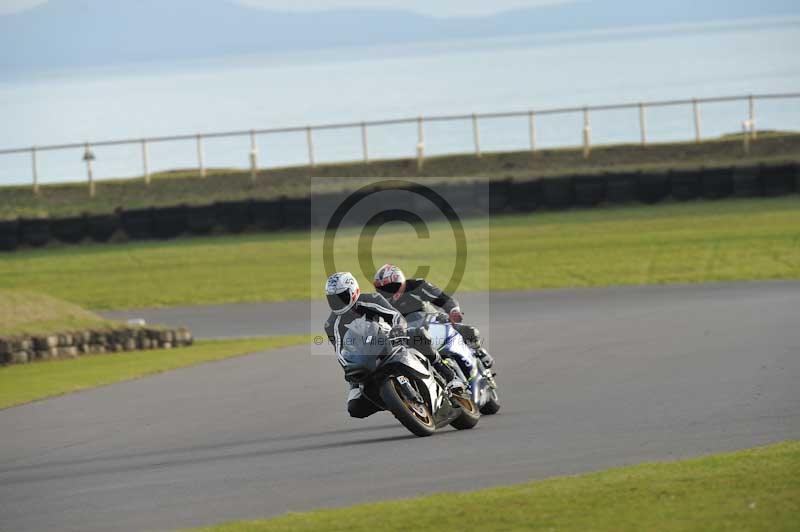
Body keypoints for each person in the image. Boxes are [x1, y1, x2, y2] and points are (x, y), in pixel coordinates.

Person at [323, 272, 463, 419]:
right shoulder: (331, 324)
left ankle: (447, 373)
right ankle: (396, 401)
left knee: (418, 335)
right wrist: (349, 368)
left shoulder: (371, 299)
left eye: (342, 296)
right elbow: (340, 351)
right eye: (333, 298)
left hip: (391, 338)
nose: (338, 302)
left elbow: (395, 316)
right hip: (365, 357)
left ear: (353, 291)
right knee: (355, 408)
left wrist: (398, 328)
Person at [372, 264, 495, 371]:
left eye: (391, 287)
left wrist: (453, 311)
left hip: (435, 324)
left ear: (401, 282)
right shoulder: (380, 304)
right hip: (411, 337)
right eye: (383, 289)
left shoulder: (416, 286)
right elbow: (373, 324)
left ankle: (479, 351)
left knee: (470, 331)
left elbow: (442, 298)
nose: (388, 292)